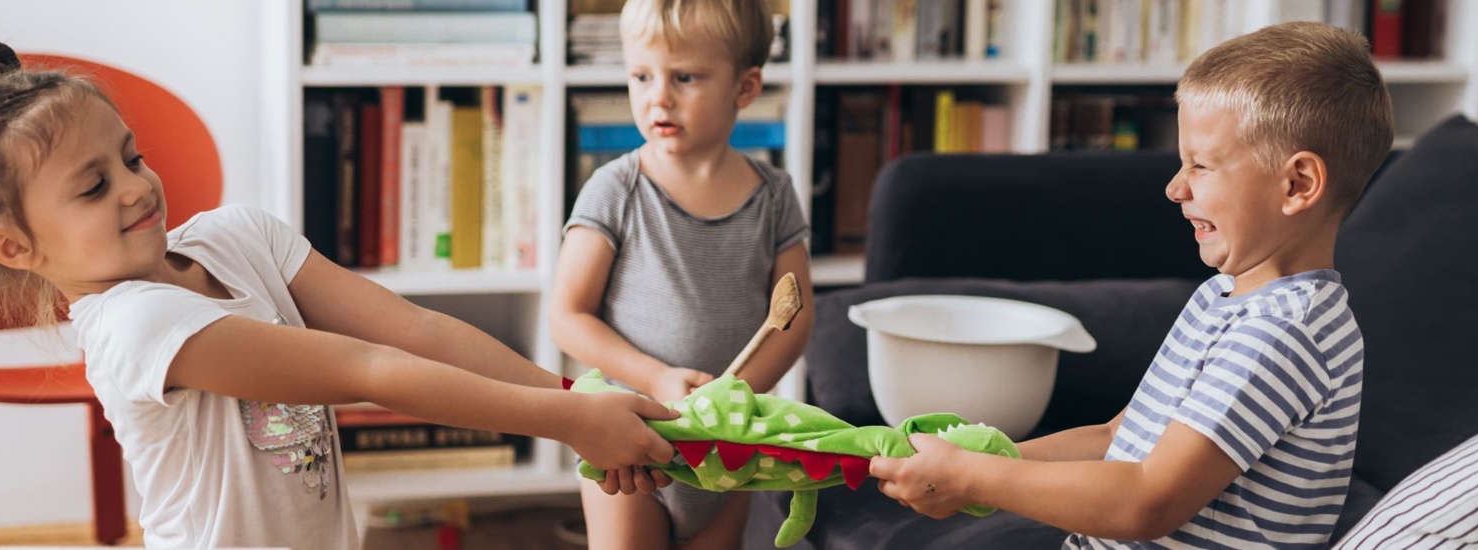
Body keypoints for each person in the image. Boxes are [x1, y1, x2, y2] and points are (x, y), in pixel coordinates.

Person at [0, 41, 678, 550]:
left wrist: (575, 399)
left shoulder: (238, 236)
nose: (135, 186)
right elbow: (368, 369)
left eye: (131, 157)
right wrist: (570, 422)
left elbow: (413, 329)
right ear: (15, 248)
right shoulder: (135, 325)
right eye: (92, 186)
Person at [869, 22, 1389, 548]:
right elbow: (1115, 437)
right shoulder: (1222, 297)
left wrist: (972, 478)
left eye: (1200, 165)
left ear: (1297, 184)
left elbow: (1145, 501)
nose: (1174, 188)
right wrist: (980, 460)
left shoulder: (1282, 334)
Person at [549, 0, 814, 547]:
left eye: (685, 77)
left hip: (726, 445)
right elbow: (567, 316)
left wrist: (735, 398)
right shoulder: (615, 190)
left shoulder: (774, 197)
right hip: (628, 435)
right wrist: (655, 378)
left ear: (745, 87)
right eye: (641, 76)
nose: (659, 97)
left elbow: (796, 315)